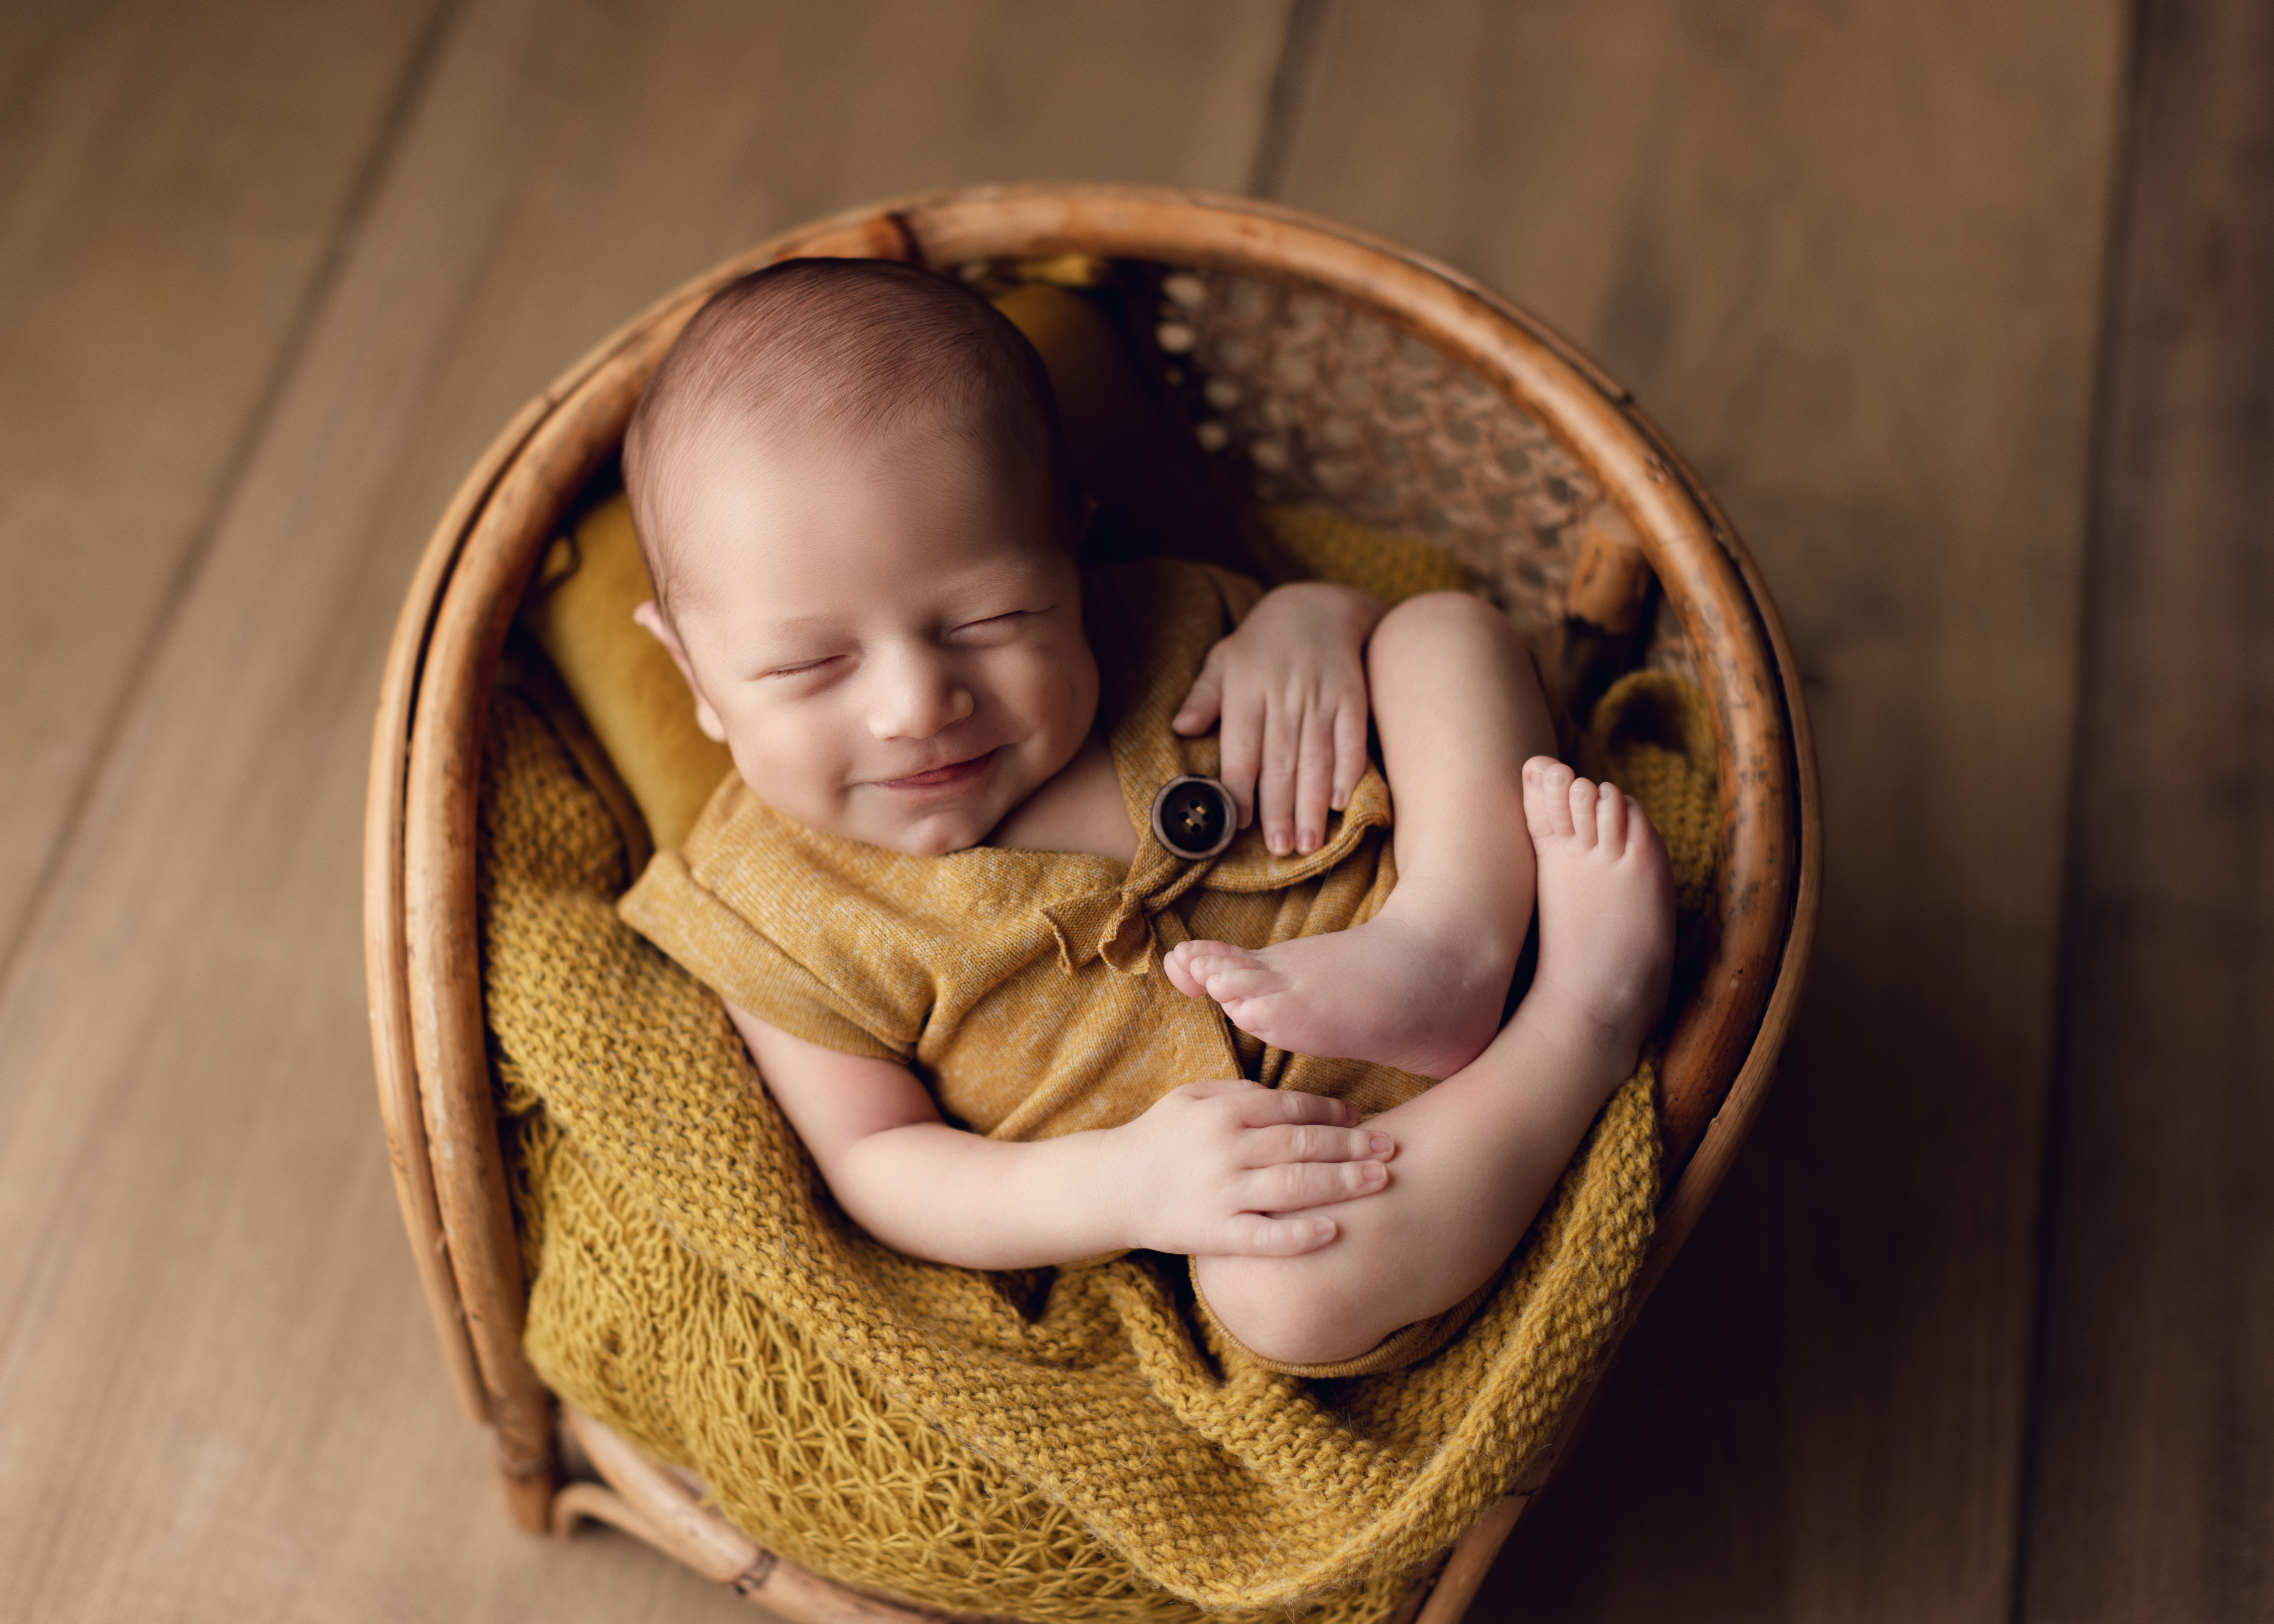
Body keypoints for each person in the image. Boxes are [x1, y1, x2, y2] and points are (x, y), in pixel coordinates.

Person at [616, 257, 1674, 1371]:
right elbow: (880, 1162)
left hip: (1462, 905)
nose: (916, 705)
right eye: (808, 665)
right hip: (1353, 1177)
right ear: (692, 673)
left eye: (990, 618)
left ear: (1072, 552)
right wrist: (1128, 1187)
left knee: (1442, 635)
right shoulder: (769, 908)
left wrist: (1315, 625)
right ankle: (1580, 1026)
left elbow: (1354, 656)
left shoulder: (1159, 618)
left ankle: (1451, 944)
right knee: (1282, 1299)